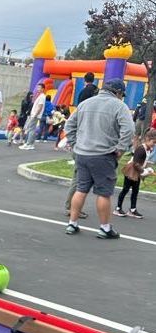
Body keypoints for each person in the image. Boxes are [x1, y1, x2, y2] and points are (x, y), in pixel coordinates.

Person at [64, 79, 134, 239]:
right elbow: (129, 129)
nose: (122, 97)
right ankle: (104, 228)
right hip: (103, 154)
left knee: (81, 189)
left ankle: (72, 223)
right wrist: (121, 149)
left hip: (82, 153)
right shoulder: (119, 106)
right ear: (117, 92)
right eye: (122, 95)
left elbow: (69, 126)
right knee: (104, 192)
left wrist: (75, 144)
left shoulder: (85, 103)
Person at [63, 74, 101, 213]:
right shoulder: (94, 97)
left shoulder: (83, 97)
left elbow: (72, 123)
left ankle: (72, 206)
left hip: (81, 142)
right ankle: (72, 207)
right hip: (83, 144)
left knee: (79, 178)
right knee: (80, 179)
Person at [114, 129, 156, 219]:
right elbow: (135, 163)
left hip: (136, 172)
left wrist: (148, 169)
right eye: (153, 142)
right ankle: (118, 208)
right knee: (125, 189)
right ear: (147, 139)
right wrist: (143, 171)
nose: (154, 144)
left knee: (135, 191)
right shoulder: (141, 149)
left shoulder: (149, 149)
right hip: (131, 172)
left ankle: (132, 210)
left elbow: (143, 161)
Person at [19, 82, 46, 149]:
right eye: (38, 87)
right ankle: (31, 144)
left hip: (35, 115)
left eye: (39, 88)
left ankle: (28, 144)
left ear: (43, 89)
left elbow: (40, 107)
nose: (38, 89)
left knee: (31, 129)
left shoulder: (42, 97)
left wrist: (35, 115)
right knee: (32, 129)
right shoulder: (40, 96)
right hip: (34, 114)